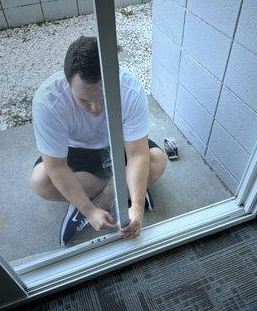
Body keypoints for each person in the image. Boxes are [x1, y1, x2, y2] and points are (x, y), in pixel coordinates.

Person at [30, 36, 167, 245]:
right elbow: (56, 166)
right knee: (41, 181)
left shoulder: (130, 89)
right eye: (84, 100)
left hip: (117, 142)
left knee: (157, 161)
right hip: (76, 148)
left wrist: (137, 206)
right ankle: (123, 189)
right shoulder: (48, 100)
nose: (95, 108)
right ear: (67, 82)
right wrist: (88, 210)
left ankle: (108, 195)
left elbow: (137, 154)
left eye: (103, 99)